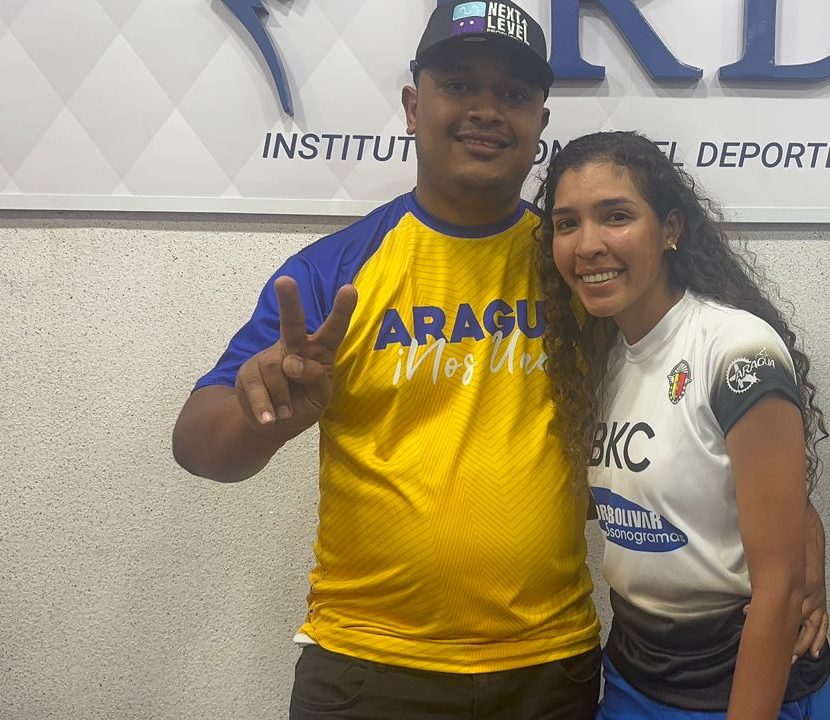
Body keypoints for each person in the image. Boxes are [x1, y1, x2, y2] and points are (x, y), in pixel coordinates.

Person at [173, 2, 603, 718]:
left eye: (514, 93)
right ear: (412, 107)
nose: (487, 109)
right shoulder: (334, 272)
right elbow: (198, 449)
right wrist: (265, 416)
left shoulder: (579, 268)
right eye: (459, 84)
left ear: (540, 125)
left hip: (550, 668)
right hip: (368, 671)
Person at [534, 130, 830, 719]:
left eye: (616, 216)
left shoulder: (736, 349)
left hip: (740, 684)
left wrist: (809, 568)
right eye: (567, 224)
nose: (588, 244)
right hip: (634, 674)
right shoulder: (603, 356)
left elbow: (778, 587)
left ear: (670, 228)